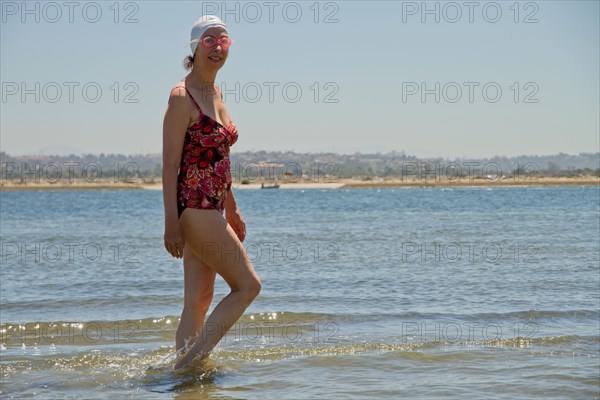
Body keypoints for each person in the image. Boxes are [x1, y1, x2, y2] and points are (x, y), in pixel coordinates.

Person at [162, 15, 262, 370]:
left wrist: (232, 208)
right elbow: (170, 166)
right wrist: (171, 224)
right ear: (195, 47)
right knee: (248, 286)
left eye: (224, 41)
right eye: (209, 41)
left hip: (214, 208)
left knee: (199, 301)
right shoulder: (181, 96)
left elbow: (221, 157)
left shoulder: (216, 93)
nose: (218, 47)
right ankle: (189, 364)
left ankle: (181, 377)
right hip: (194, 208)